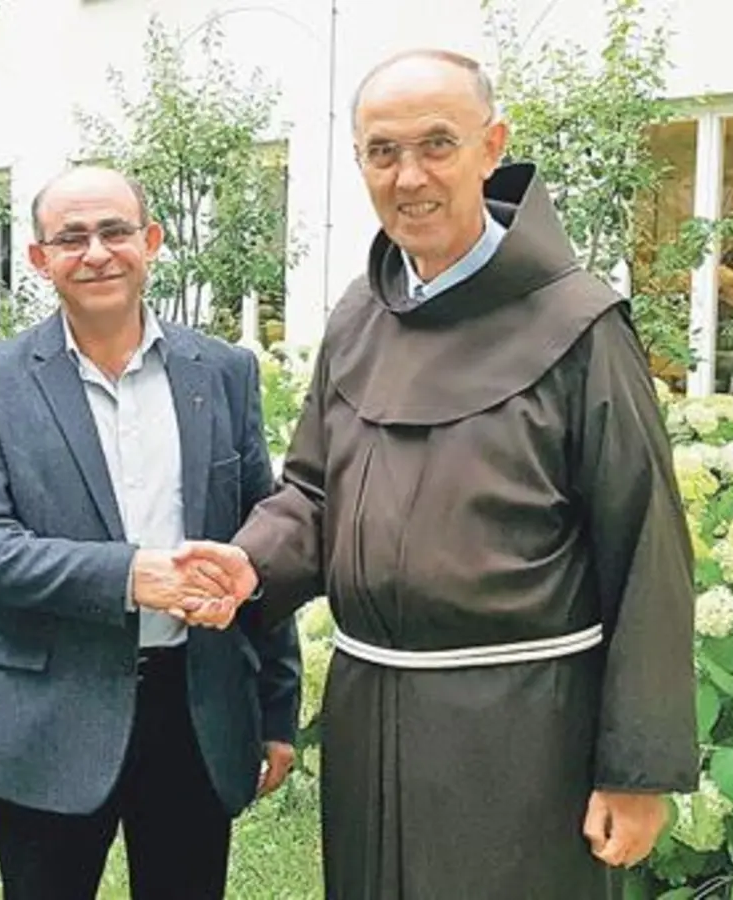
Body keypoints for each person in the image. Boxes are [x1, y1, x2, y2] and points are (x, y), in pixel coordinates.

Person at [180, 49, 699, 898]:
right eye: (382, 152)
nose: (408, 175)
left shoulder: (579, 325)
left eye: (437, 145)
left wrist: (636, 771)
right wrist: (250, 562)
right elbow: (314, 491)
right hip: (371, 710)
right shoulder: (358, 316)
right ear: (359, 162)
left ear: (492, 146)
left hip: (524, 729)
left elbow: (647, 548)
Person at [0, 165, 303, 900]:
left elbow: (257, 537)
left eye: (114, 231)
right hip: (51, 711)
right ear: (40, 259)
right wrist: (131, 575)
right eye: (70, 237)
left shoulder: (224, 371)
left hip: (194, 710)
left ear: (152, 242)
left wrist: (276, 709)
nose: (96, 252)